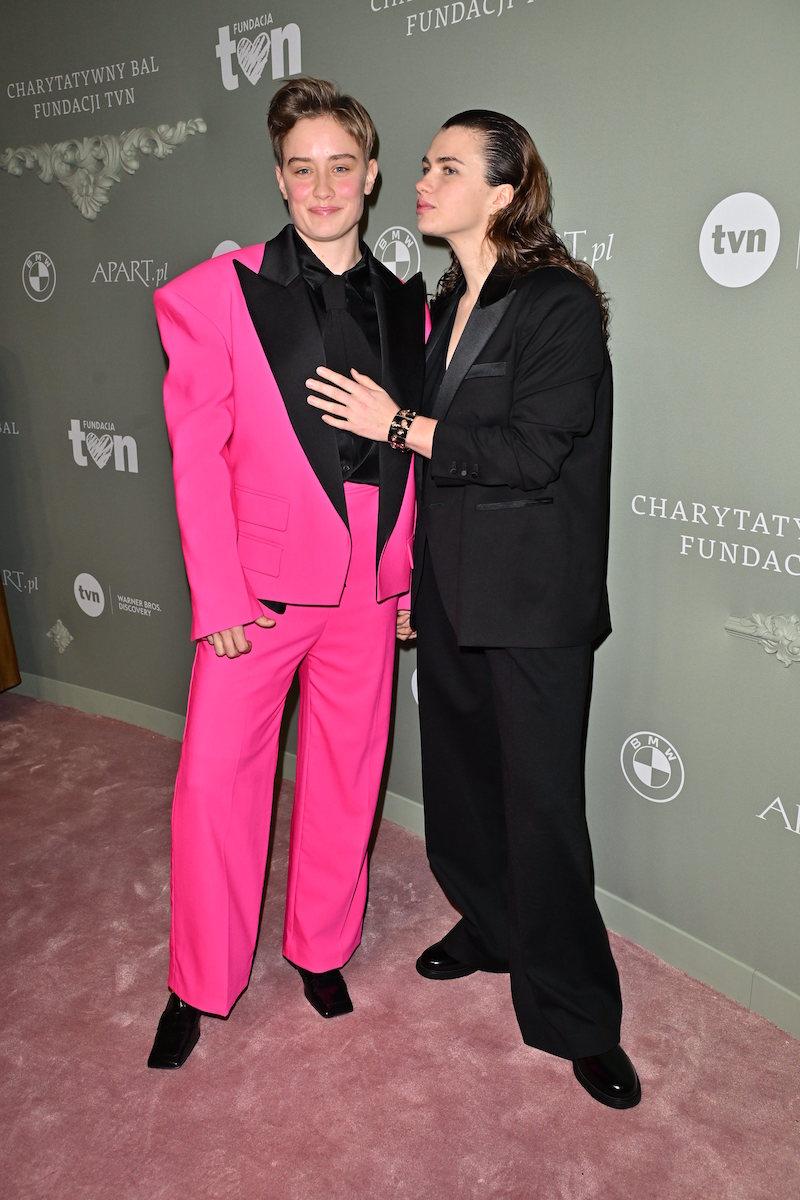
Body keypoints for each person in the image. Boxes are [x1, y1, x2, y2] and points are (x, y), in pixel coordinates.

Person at [306, 109, 640, 1108]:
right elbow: (430, 478)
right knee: (459, 791)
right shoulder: (445, 301)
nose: (422, 179)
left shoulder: (557, 304)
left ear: (502, 192)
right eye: (422, 164)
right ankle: (491, 927)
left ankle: (577, 1015)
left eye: (446, 167)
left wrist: (399, 423)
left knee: (541, 810)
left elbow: (533, 453)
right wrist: (412, 580)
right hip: (449, 592)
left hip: (533, 602)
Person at [147, 77, 427, 1069]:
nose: (322, 187)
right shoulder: (211, 293)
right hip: (257, 586)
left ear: (371, 174)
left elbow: (407, 457)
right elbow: (195, 458)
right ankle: (199, 981)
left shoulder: (409, 304)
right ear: (278, 179)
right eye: (301, 169)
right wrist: (217, 593)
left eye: (340, 166)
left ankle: (320, 947)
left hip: (369, 579)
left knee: (348, 775)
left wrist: (402, 577)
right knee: (216, 785)